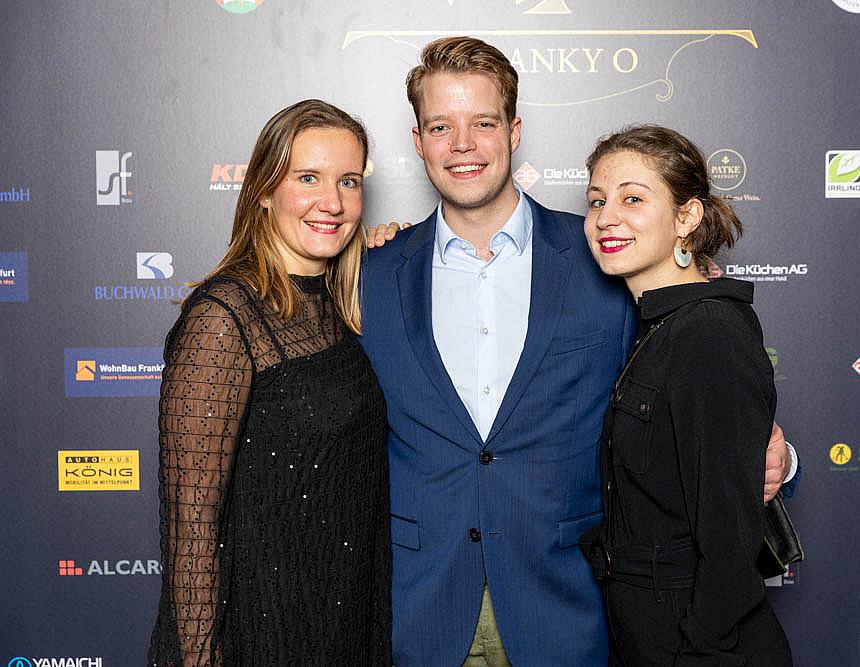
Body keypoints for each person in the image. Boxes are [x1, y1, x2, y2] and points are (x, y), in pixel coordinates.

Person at [360, 37, 798, 666]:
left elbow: (688, 393)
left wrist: (777, 452)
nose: (462, 144)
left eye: (483, 123)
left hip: (569, 612)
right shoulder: (370, 274)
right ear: (418, 140)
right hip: (419, 612)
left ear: (514, 132)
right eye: (440, 126)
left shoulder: (606, 261)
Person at [148, 99, 391, 666]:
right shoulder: (223, 318)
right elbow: (192, 530)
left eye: (348, 181)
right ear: (263, 190)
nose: (332, 202)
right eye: (308, 178)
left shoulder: (342, 304)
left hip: (342, 626)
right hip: (262, 636)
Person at [580, 125, 793, 666]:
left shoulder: (707, 332)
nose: (606, 217)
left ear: (686, 217)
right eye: (597, 201)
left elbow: (729, 542)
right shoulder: (658, 328)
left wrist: (701, 649)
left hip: (698, 647)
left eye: (632, 199)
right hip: (646, 635)